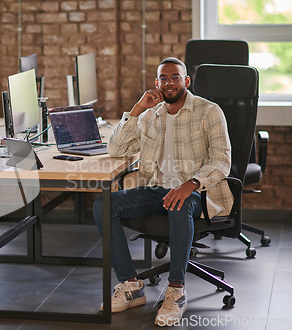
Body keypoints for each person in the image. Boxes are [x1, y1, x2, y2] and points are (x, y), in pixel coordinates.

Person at [93, 57, 232, 326]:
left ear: (186, 81)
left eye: (175, 77)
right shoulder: (149, 116)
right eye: (163, 78)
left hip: (197, 191)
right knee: (103, 204)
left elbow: (222, 160)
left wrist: (190, 183)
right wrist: (136, 109)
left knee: (179, 203)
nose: (169, 83)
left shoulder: (209, 111)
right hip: (156, 190)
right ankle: (131, 285)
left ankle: (176, 291)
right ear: (156, 83)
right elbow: (116, 150)